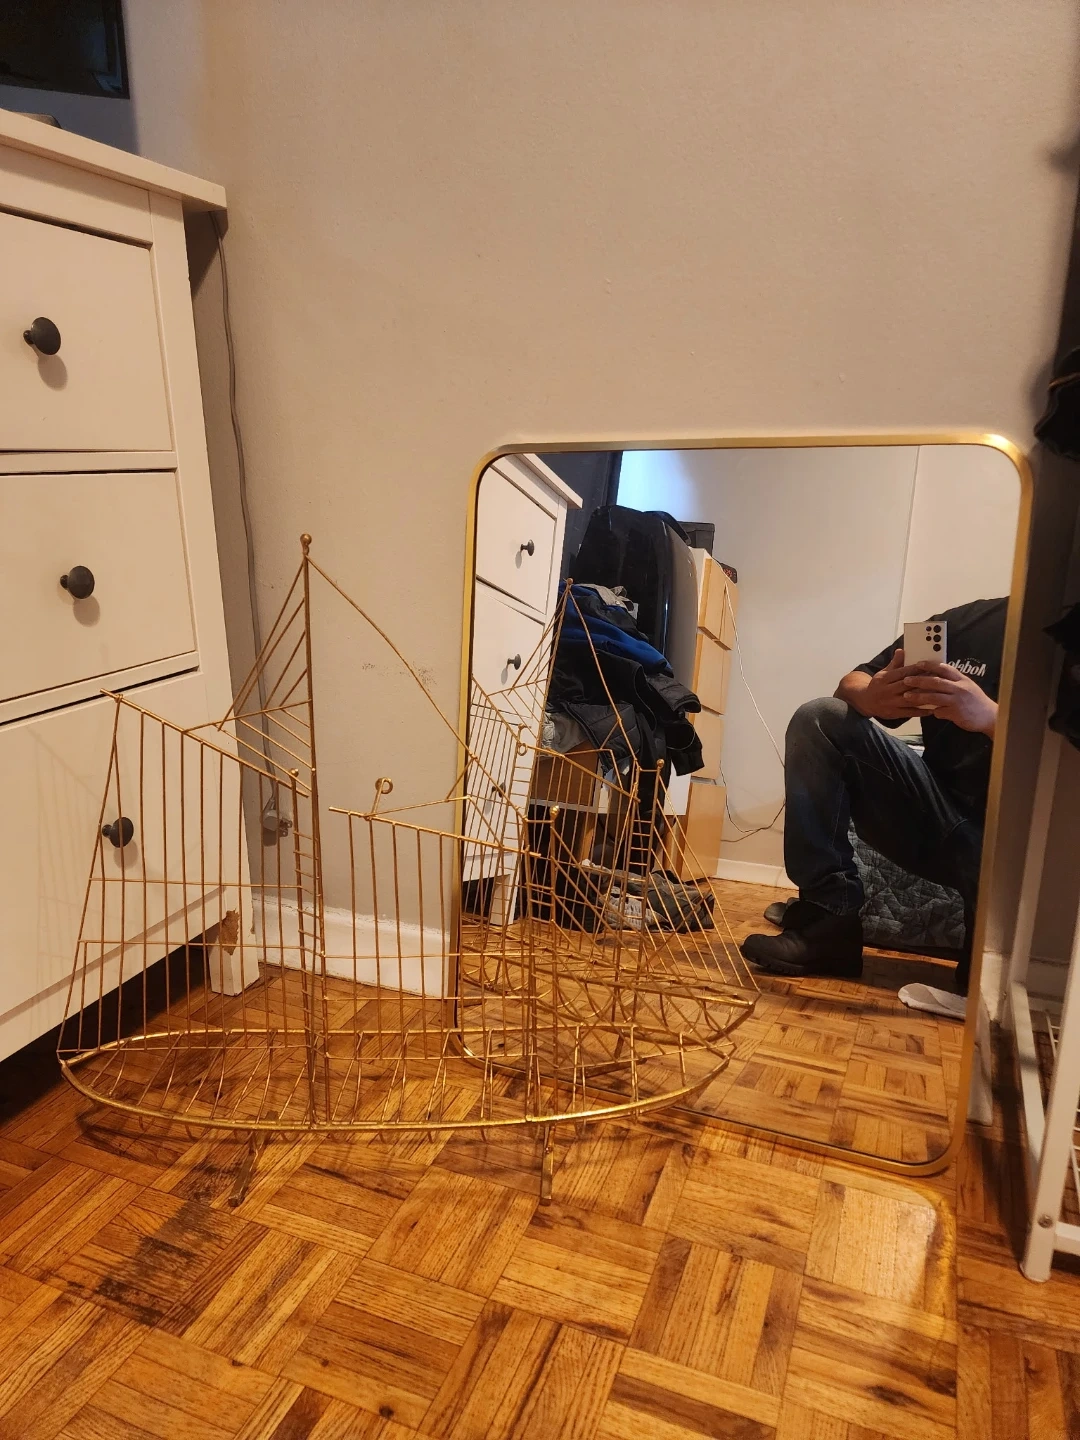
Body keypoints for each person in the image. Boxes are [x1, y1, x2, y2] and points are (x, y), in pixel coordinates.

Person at [739, 598, 1007, 1012]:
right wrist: (871, 695)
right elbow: (851, 682)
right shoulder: (962, 623)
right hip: (936, 815)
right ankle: (829, 922)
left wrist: (991, 718)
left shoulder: (1061, 646)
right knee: (820, 717)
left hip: (1010, 844)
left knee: (991, 994)